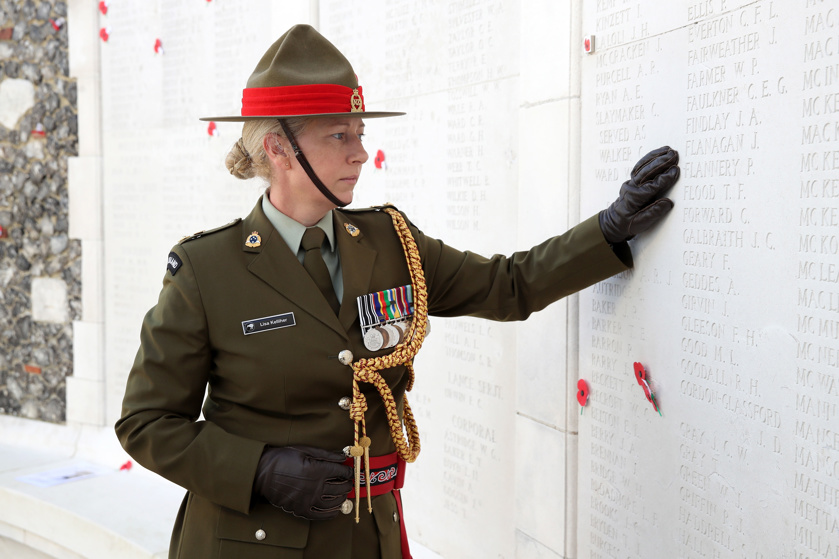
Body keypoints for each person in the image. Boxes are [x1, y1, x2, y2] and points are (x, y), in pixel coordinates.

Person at [115, 24, 679, 559]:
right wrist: (258, 468)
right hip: (252, 542)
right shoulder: (205, 269)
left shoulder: (391, 241)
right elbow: (146, 422)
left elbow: (508, 285)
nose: (359, 152)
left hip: (367, 537)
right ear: (278, 150)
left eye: (361, 135)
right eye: (339, 136)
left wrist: (607, 229)